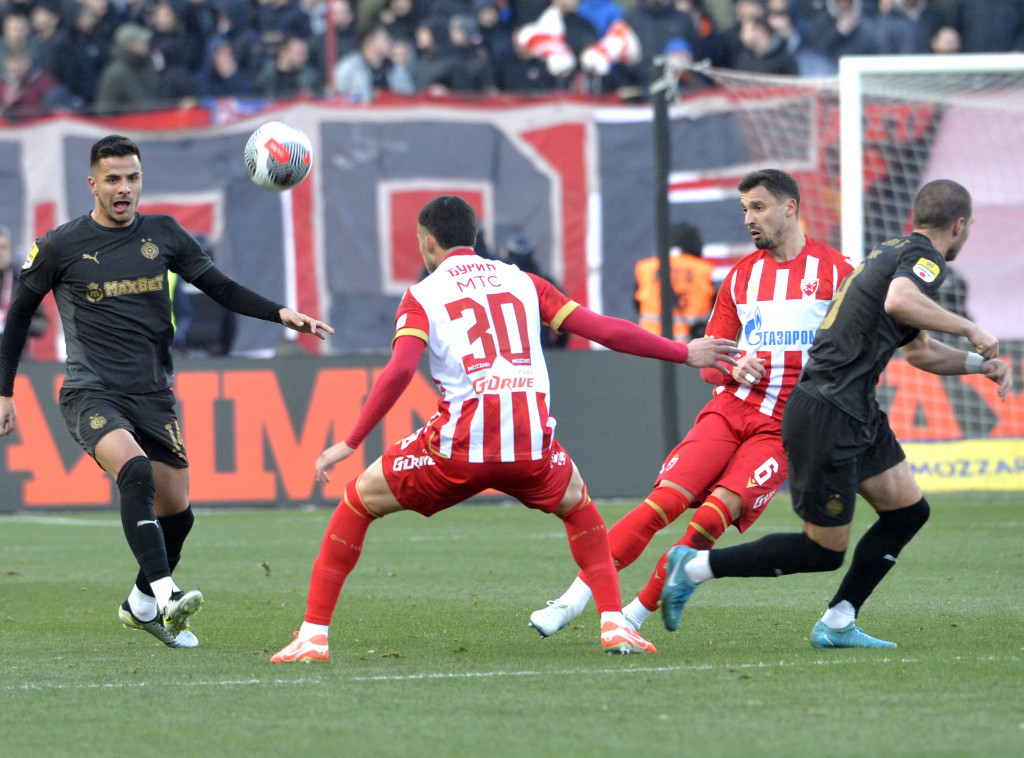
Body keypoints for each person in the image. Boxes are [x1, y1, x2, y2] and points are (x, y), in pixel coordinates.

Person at [269, 194, 740, 662]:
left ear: (427, 243)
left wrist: (350, 441)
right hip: (531, 447)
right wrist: (684, 351)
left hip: (457, 449)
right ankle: (614, 623)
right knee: (580, 508)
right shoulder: (524, 281)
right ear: (474, 237)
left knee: (356, 502)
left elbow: (399, 371)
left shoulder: (422, 295)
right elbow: (604, 330)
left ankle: (313, 635)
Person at [0, 135, 333, 649]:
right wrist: (5, 392)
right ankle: (166, 595)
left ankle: (139, 605)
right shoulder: (60, 246)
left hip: (154, 394)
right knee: (134, 471)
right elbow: (20, 315)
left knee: (178, 514)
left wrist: (280, 313)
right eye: (113, 179)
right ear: (92, 184)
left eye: (132, 178)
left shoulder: (164, 233)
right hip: (92, 391)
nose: (124, 188)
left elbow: (220, 287)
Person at [660, 179, 1013, 648]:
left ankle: (839, 621)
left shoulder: (890, 253)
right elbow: (900, 301)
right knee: (822, 551)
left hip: (854, 407)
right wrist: (971, 328)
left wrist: (978, 364)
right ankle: (695, 566)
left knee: (907, 513)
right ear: (960, 225)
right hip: (829, 410)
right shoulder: (924, 259)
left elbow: (921, 352)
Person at [529, 169, 853, 637]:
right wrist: (733, 365)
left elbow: (856, 350)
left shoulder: (838, 273)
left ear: (790, 207)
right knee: (661, 503)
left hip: (784, 426)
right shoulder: (741, 278)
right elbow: (709, 363)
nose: (748, 219)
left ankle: (633, 618)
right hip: (730, 411)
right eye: (744, 209)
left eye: (758, 207)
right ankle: (570, 601)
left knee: (709, 520)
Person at [634, 221, 716, 342]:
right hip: (691, 347)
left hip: (651, 345)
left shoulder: (645, 268)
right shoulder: (703, 269)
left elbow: (637, 304)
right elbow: (716, 303)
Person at [0, 225, 48, 352]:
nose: (0, 253)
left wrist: (16, 322)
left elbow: (41, 324)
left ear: (10, 252)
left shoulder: (24, 283)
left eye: (3, 247)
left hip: (16, 358)